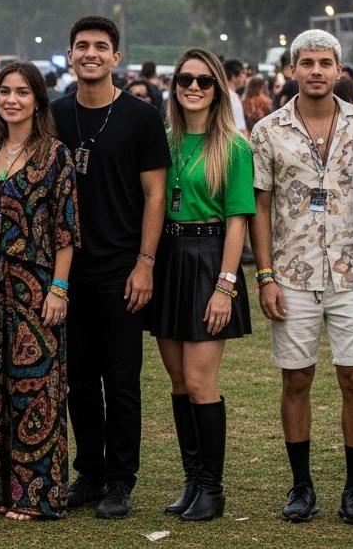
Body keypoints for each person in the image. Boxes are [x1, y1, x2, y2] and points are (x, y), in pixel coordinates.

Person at [249, 30, 353, 526]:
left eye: (326, 62)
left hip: (351, 272)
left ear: (339, 70)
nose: (316, 71)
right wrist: (264, 275)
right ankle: (301, 484)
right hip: (291, 273)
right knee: (297, 378)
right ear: (292, 70)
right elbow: (260, 205)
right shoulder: (267, 130)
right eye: (307, 62)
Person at [53, 16, 169, 519]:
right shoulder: (54, 114)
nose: (91, 54)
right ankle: (90, 473)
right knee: (78, 376)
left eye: (101, 46)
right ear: (71, 55)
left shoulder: (141, 117)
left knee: (121, 380)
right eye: (82, 46)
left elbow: (155, 194)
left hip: (122, 265)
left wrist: (145, 264)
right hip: (68, 268)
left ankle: (121, 480)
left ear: (116, 57)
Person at [150, 47, 254, 522]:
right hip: (169, 258)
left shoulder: (233, 146)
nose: (193, 87)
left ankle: (213, 488)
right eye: (185, 79)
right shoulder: (164, 140)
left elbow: (238, 221)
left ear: (218, 89)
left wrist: (225, 286)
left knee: (199, 380)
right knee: (176, 379)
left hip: (210, 258)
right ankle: (192, 481)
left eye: (204, 81)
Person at [0, 62, 78, 521]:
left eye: (21, 92)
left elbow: (66, 231)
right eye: (4, 92)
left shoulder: (55, 155)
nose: (11, 99)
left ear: (37, 100)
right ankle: (3, 487)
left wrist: (58, 288)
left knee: (36, 387)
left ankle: (38, 494)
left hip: (36, 285)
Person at [224, 58, 248, 134]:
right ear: (233, 76)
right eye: (243, 73)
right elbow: (240, 127)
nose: (244, 77)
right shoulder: (232, 98)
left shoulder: (225, 94)